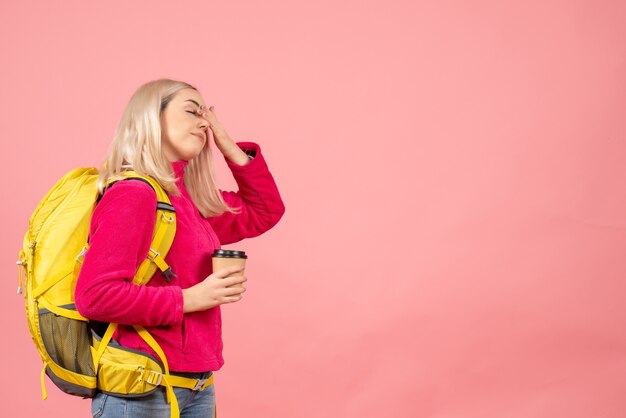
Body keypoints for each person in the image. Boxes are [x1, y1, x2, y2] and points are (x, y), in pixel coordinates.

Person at [74, 78, 285, 417]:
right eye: (191, 111)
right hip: (141, 390)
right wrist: (191, 298)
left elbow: (265, 212)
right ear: (150, 118)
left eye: (206, 114)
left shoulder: (189, 200)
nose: (204, 121)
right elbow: (95, 295)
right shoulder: (135, 193)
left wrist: (227, 145)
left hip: (196, 385)